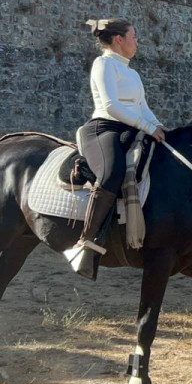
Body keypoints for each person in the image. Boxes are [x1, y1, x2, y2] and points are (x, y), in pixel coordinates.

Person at [65, 18, 166, 280]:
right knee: (111, 173)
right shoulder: (104, 63)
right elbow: (110, 105)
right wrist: (146, 125)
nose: (137, 41)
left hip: (132, 129)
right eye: (134, 35)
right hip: (103, 129)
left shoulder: (132, 73)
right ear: (119, 39)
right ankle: (86, 242)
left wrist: (160, 128)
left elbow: (143, 107)